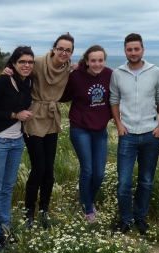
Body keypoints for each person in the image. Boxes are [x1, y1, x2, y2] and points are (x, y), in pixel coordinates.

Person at [4, 33, 74, 229]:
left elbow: (87, 68)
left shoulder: (68, 67)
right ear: (54, 48)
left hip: (52, 117)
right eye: (60, 48)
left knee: (49, 168)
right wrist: (7, 70)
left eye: (68, 50)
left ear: (71, 53)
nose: (63, 52)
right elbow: (20, 70)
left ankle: (43, 211)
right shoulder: (39, 63)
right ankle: (29, 213)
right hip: (34, 116)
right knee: (39, 167)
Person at [109, 33, 159, 235]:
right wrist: (118, 124)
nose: (133, 52)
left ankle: (140, 217)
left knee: (146, 180)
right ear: (125, 51)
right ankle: (125, 219)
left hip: (151, 134)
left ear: (143, 49)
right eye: (129, 49)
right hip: (127, 135)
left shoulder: (156, 72)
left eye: (136, 49)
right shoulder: (117, 73)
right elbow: (113, 100)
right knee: (124, 182)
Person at [0, 46, 34, 251]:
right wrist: (14, 115)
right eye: (22, 62)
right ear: (13, 63)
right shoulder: (3, 80)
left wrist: (75, 66)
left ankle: (4, 229)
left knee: (7, 187)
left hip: (16, 141)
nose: (27, 65)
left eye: (30, 62)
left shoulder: (28, 81)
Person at [60, 45, 112, 222]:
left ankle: (89, 201)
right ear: (86, 61)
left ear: (104, 60)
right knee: (88, 170)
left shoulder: (109, 75)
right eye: (93, 60)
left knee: (99, 173)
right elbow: (61, 95)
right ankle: (87, 209)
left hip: (100, 130)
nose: (97, 64)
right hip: (80, 128)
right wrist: (66, 72)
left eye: (100, 60)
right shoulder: (76, 76)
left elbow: (116, 97)